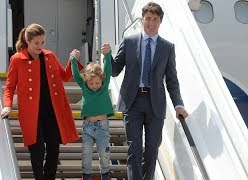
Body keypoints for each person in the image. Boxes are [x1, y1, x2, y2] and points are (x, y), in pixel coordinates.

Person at [108, 2, 189, 180]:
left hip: (155, 104)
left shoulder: (168, 47)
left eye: (155, 19)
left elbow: (172, 80)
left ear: (160, 22)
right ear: (142, 20)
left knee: (152, 151)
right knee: (134, 149)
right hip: (133, 102)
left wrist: (178, 105)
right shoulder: (129, 41)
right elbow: (114, 70)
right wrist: (107, 57)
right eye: (148, 19)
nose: (151, 23)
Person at [1, 23, 84, 180]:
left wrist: (72, 60)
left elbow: (65, 76)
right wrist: (7, 105)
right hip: (32, 114)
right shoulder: (17, 59)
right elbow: (10, 86)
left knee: (54, 149)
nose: (40, 46)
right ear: (28, 42)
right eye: (36, 43)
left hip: (52, 111)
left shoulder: (50, 56)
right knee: (37, 151)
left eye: (42, 42)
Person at [70, 46, 114, 180]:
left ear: (102, 80)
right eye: (91, 83)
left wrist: (107, 55)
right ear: (86, 82)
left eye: (97, 82)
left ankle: (105, 174)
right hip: (88, 127)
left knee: (103, 153)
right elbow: (76, 75)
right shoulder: (84, 87)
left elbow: (108, 69)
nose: (94, 85)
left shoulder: (104, 85)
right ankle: (86, 175)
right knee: (86, 153)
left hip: (103, 126)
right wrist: (73, 59)